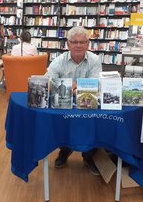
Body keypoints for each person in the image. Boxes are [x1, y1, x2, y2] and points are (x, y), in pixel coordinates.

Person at [45, 26, 102, 176]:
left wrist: (69, 85)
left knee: (93, 123)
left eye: (82, 42)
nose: (78, 45)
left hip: (88, 103)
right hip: (64, 103)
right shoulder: (58, 61)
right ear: (68, 44)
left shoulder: (95, 60)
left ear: (88, 44)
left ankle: (89, 156)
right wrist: (79, 86)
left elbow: (95, 84)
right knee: (62, 121)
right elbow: (49, 83)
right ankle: (65, 150)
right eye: (74, 42)